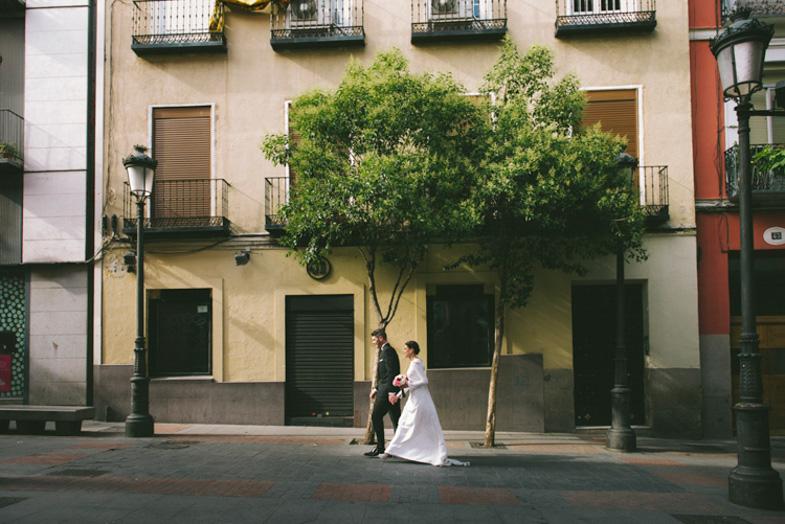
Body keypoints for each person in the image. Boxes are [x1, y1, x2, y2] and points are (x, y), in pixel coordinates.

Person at [383, 340, 469, 467]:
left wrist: (407, 383)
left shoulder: (416, 363)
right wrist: (399, 394)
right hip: (415, 398)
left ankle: (419, 451)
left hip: (420, 399)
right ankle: (392, 450)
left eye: (406, 348)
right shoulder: (413, 363)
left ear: (412, 350)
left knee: (414, 424)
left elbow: (424, 380)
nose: (404, 351)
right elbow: (411, 384)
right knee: (405, 423)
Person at [364, 328, 401, 457]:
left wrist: (391, 392)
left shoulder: (388, 351)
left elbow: (392, 373)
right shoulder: (383, 351)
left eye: (374, 339)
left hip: (387, 392)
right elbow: (384, 375)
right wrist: (376, 388)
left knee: (376, 416)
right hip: (386, 390)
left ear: (381, 338)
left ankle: (381, 448)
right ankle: (398, 448)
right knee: (397, 420)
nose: (373, 342)